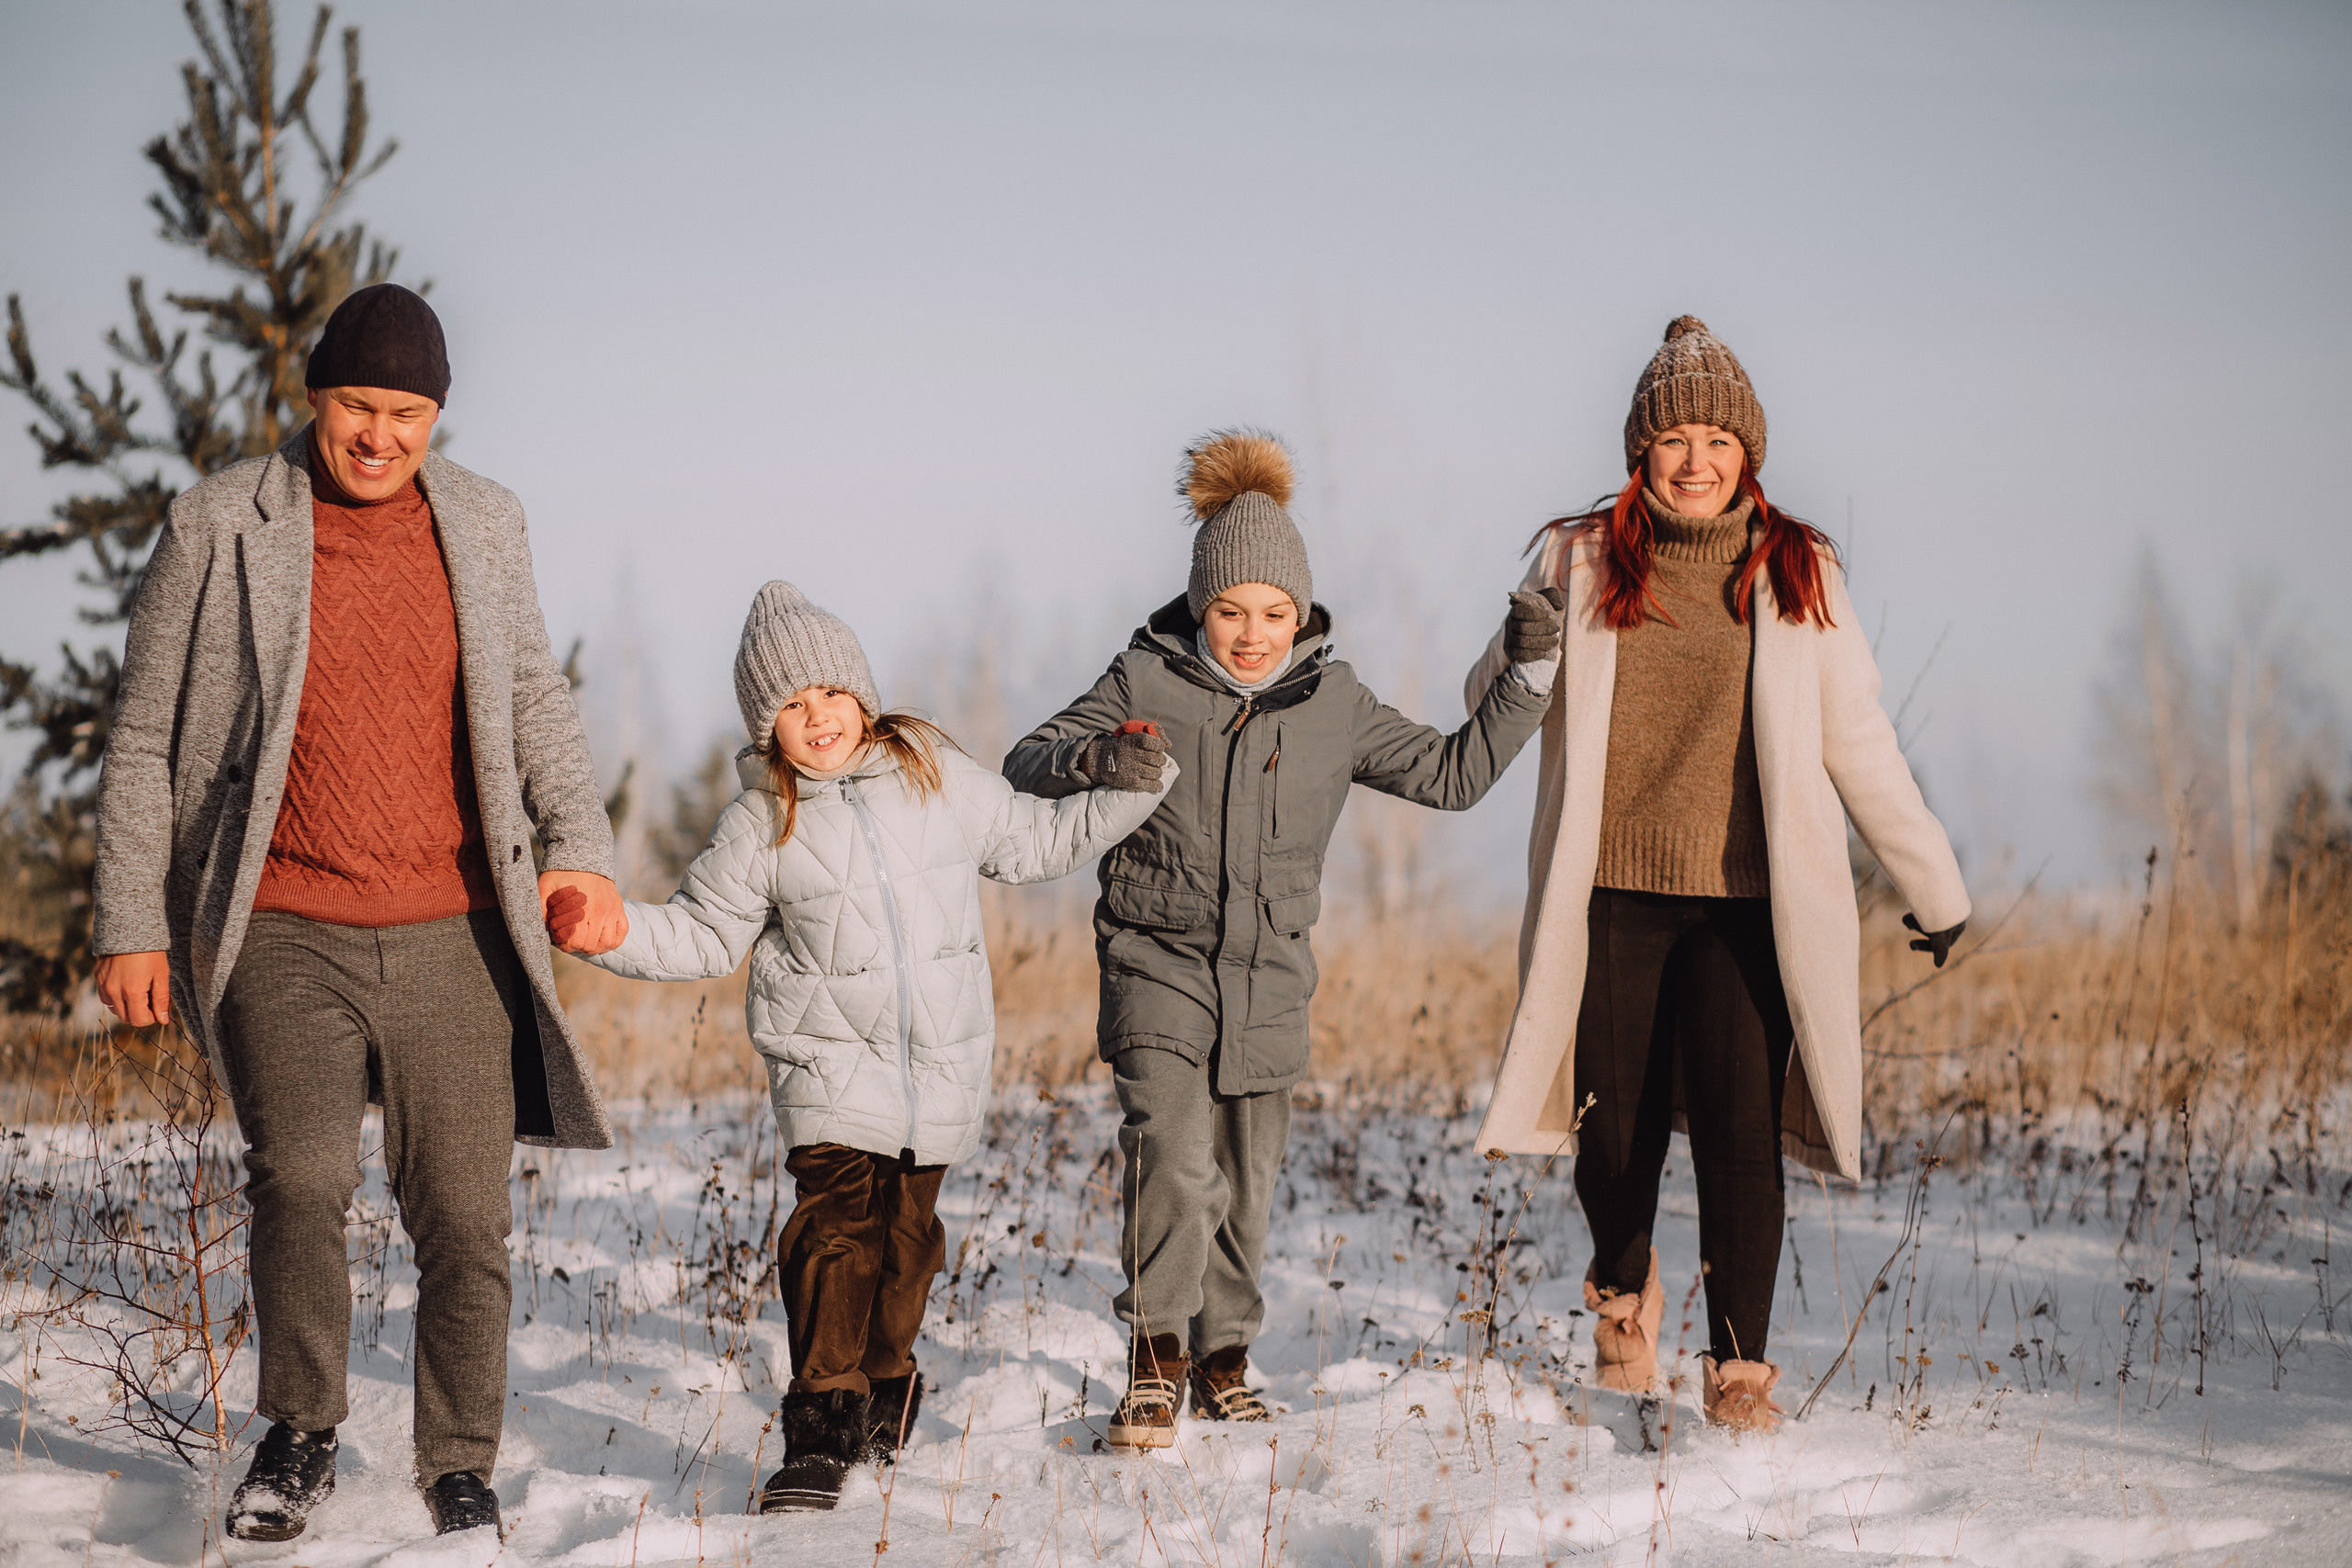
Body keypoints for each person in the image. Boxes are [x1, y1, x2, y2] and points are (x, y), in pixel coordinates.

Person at [89, 284, 626, 1538]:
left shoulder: (485, 523)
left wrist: (581, 848)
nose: (380, 435)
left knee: (462, 1206)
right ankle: (300, 1430)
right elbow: (145, 733)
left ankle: (460, 1455)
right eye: (357, 407)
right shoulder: (223, 519)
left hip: (455, 925)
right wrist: (129, 916)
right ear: (314, 398)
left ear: (436, 415)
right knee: (304, 1175)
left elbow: (535, 699)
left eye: (407, 412)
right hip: (283, 916)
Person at [548, 581, 1171, 1509]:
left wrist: (1133, 788)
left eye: (830, 694)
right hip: (827, 1071)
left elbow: (1031, 843)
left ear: (862, 695)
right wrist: (613, 932)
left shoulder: (933, 771)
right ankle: (821, 1424)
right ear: (766, 727)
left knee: (906, 1251)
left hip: (939, 1076)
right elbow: (704, 934)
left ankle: (887, 1380)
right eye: (791, 707)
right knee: (836, 1235)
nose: (818, 718)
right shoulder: (761, 821)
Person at [1001, 430, 1563, 1449]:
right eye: (1229, 611)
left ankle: (1222, 1363)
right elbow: (1027, 758)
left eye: (1272, 613)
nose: (1251, 633)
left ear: (1300, 613)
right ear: (1198, 607)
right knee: (1174, 1160)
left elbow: (1452, 775)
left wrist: (1527, 675)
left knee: (1244, 1186)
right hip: (1153, 961)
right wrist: (1098, 754)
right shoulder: (1143, 678)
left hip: (1269, 980)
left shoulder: (1333, 704)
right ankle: (1155, 1361)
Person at [1467, 316, 1970, 1433]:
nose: (1694, 461)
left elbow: (1860, 742)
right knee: (1611, 1134)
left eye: (1715, 439)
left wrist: (1934, 884)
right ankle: (1623, 1289)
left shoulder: (1798, 566)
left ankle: (1739, 1369)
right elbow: (1486, 703)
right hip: (1610, 892)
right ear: (1639, 453)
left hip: (1749, 907)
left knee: (1742, 1139)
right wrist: (1520, 643)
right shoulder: (1578, 557)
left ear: (1748, 452)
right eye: (1672, 440)